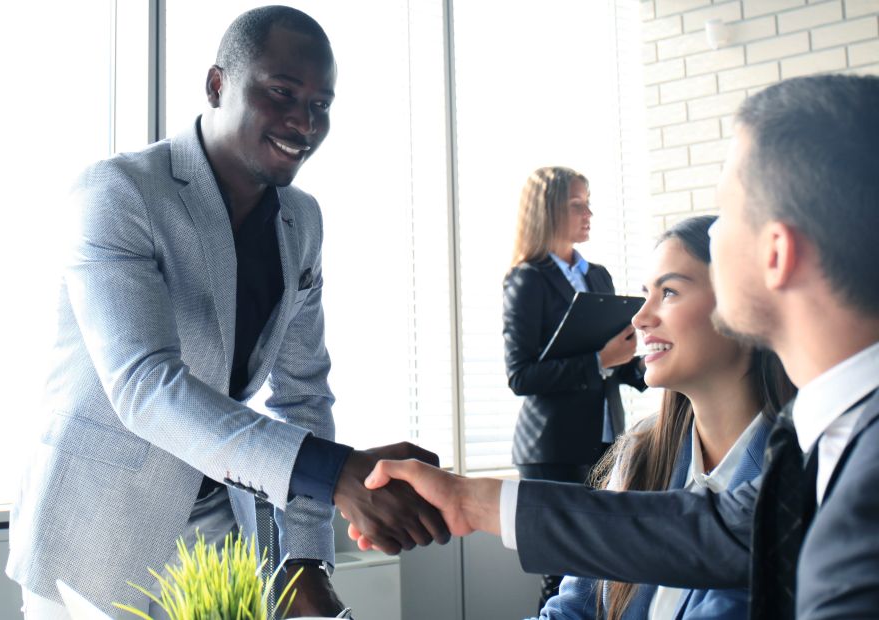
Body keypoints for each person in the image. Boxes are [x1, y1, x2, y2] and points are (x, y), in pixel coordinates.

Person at [354, 74, 879, 618]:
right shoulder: (809, 443)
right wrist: (465, 498)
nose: (643, 315)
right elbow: (706, 532)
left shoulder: (840, 458)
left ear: (777, 253)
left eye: (729, 213)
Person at [7, 6, 448, 619]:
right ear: (217, 86)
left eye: (322, 103)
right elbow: (143, 386)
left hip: (220, 535)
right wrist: (337, 472)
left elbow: (304, 395)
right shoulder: (117, 193)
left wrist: (303, 562)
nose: (305, 120)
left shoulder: (302, 221)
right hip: (96, 534)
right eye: (282, 92)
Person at [539, 215, 795, 620]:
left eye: (669, 292)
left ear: (743, 308)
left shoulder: (799, 475)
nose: (640, 318)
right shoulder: (638, 458)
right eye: (645, 294)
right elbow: (571, 612)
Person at [503, 167, 645, 601]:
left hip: (604, 445)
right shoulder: (526, 279)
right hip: (552, 450)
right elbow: (521, 375)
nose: (589, 212)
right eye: (577, 204)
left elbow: (614, 361)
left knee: (601, 570)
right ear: (548, 211)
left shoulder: (597, 275)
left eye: (588, 201)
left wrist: (648, 362)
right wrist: (600, 360)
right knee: (562, 577)